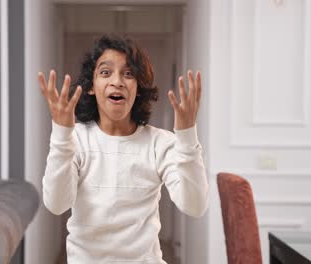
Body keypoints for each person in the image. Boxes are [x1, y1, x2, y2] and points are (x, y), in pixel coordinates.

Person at [38, 35, 208, 263]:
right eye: (105, 72)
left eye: (128, 74)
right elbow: (56, 204)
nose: (117, 81)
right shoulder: (75, 139)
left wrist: (187, 135)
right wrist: (61, 134)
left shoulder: (160, 143)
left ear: (138, 88)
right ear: (91, 87)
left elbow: (195, 206)